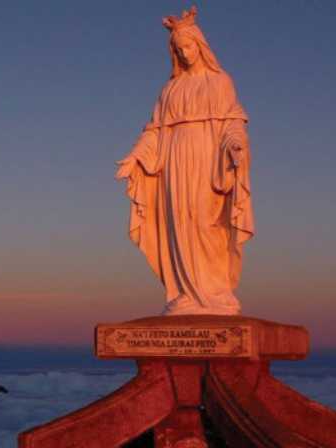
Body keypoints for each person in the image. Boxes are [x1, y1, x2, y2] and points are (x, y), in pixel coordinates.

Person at [115, 6, 254, 316]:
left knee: (206, 221)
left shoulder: (220, 83)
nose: (186, 53)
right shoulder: (171, 89)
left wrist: (235, 145)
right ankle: (185, 293)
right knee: (179, 224)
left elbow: (233, 122)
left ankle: (215, 292)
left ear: (201, 46)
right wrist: (135, 156)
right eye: (179, 49)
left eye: (189, 47)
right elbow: (154, 131)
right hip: (175, 165)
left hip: (208, 160)